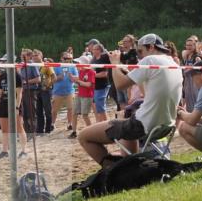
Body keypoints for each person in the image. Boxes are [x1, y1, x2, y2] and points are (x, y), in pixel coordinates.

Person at [78, 33, 183, 167]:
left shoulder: (150, 60)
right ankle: (130, 165)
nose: (139, 55)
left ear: (151, 47)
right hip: (165, 126)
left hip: (142, 126)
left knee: (83, 136)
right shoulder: (173, 63)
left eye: (140, 51)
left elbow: (120, 85)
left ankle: (115, 168)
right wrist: (129, 73)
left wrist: (115, 63)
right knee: (126, 119)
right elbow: (147, 92)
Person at [51, 51, 77, 132]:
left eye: (70, 58)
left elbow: (76, 79)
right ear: (61, 58)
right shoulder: (56, 66)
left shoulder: (73, 67)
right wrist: (59, 77)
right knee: (54, 110)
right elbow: (51, 80)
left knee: (71, 108)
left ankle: (69, 124)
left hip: (70, 91)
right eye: (66, 58)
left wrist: (72, 77)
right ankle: (52, 124)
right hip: (57, 92)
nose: (68, 60)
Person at [69, 56, 95, 137]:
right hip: (80, 94)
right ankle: (74, 132)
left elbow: (89, 84)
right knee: (74, 113)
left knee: (85, 115)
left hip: (87, 96)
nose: (77, 64)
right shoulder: (81, 71)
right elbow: (81, 82)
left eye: (78, 63)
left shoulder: (91, 72)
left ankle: (91, 132)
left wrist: (77, 80)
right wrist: (73, 79)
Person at [88, 40, 112, 123]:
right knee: (97, 106)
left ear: (99, 50)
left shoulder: (103, 58)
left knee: (101, 106)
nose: (93, 50)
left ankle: (106, 124)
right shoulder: (93, 59)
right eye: (93, 49)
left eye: (95, 49)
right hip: (96, 86)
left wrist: (92, 75)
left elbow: (104, 74)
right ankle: (101, 122)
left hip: (103, 85)